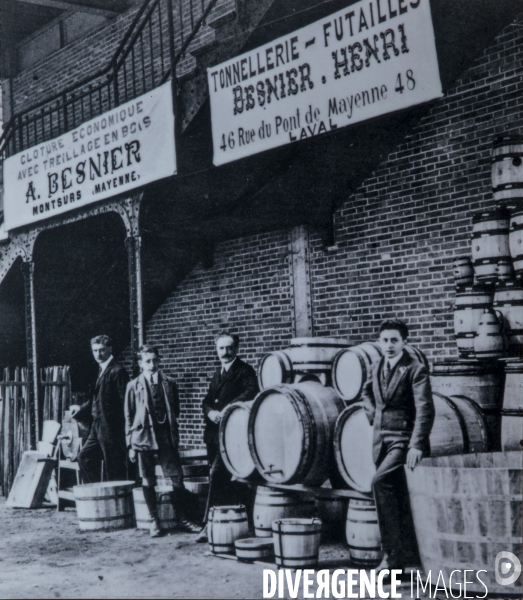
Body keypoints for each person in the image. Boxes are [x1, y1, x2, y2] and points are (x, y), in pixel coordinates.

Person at [360, 319, 435, 573]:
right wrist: (374, 415)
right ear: (379, 342)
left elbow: (425, 409)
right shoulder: (376, 366)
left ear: (405, 342)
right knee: (399, 497)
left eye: (394, 340)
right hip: (381, 442)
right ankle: (409, 558)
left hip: (403, 441)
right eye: (385, 340)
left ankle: (391, 557)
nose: (389, 345)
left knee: (379, 482)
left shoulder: (415, 369)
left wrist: (417, 445)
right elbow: (366, 393)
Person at [124, 345, 200, 537]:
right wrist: (130, 445)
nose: (152, 364)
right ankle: (154, 521)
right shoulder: (133, 386)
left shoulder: (170, 383)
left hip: (166, 438)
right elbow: (128, 417)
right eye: (147, 361)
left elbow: (176, 410)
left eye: (155, 360)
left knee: (176, 479)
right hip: (143, 439)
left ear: (159, 360)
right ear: (140, 363)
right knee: (147, 480)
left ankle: (183, 518)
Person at [199, 332, 259, 535]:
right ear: (216, 350)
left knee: (217, 476)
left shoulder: (245, 371)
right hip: (214, 435)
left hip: (233, 435)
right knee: (218, 479)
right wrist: (211, 412)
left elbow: (251, 392)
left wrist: (228, 408)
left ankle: (208, 525)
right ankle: (224, 525)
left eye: (229, 348)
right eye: (221, 348)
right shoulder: (218, 373)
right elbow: (206, 401)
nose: (225, 352)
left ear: (236, 349)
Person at [71, 335, 129, 483]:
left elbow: (127, 403)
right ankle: (98, 495)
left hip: (112, 428)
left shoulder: (118, 371)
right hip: (97, 427)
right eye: (95, 351)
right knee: (84, 457)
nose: (98, 354)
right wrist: (80, 408)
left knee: (113, 467)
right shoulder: (101, 370)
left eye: (102, 350)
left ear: (110, 349)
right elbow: (96, 399)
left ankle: (115, 501)